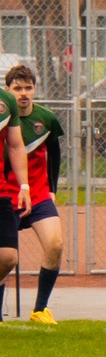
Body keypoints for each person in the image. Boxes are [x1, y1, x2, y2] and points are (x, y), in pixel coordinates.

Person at [1, 65, 65, 322]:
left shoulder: (46, 118)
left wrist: (51, 189)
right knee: (6, 256)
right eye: (18, 88)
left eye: (28, 87)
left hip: (37, 194)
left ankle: (40, 309)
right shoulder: (4, 117)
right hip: (5, 196)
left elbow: (55, 156)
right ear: (8, 91)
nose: (24, 93)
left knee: (55, 244)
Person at [0, 74, 36, 314]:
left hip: (2, 190)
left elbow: (15, 145)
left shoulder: (6, 101)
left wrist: (24, 186)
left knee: (8, 257)